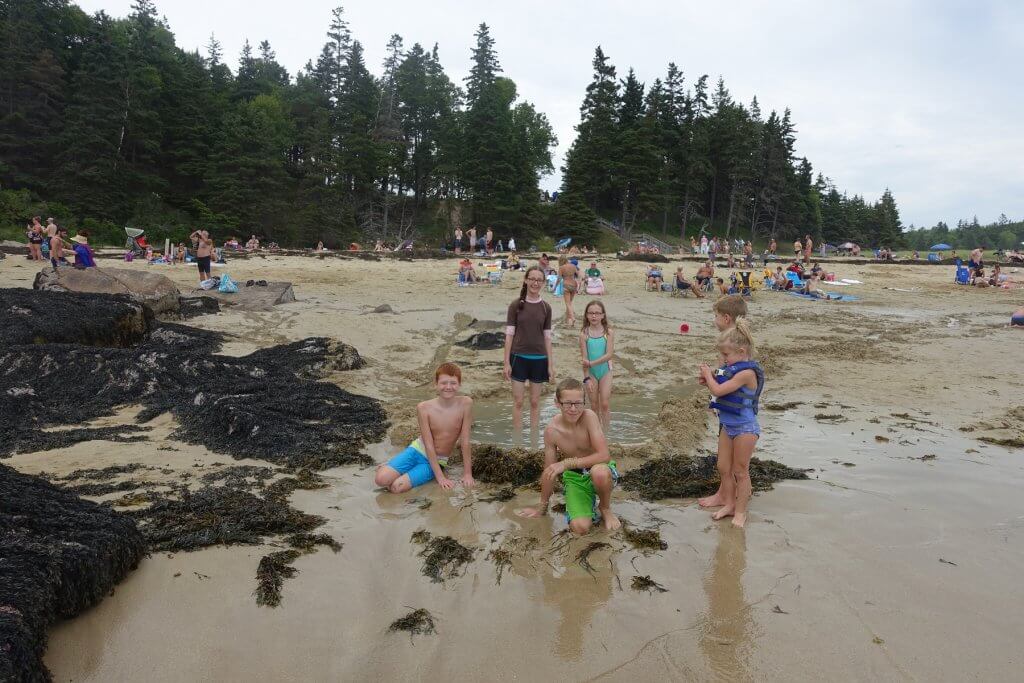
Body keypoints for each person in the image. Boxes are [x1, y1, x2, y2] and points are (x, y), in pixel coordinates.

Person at [516, 378, 620, 534]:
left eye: (578, 403)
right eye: (567, 403)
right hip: (575, 478)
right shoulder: (552, 431)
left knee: (599, 472)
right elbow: (549, 470)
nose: (573, 409)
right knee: (580, 528)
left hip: (601, 470)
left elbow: (604, 455)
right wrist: (542, 507)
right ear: (557, 403)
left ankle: (604, 507)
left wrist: (566, 464)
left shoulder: (589, 417)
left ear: (584, 403)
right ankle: (585, 504)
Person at [697, 320, 763, 528]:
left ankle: (741, 511)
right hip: (728, 426)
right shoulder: (731, 369)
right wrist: (708, 380)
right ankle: (729, 503)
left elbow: (717, 391)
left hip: (745, 428)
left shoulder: (746, 373)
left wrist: (709, 376)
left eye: (726, 355)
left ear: (742, 351)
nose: (723, 360)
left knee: (740, 471)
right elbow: (718, 387)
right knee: (723, 467)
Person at [374, 362, 474, 492]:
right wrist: (441, 478)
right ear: (436, 384)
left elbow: (465, 441)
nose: (448, 387)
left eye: (453, 383)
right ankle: (391, 465)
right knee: (380, 480)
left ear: (459, 384)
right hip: (417, 450)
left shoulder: (466, 404)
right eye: (443, 383)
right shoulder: (424, 408)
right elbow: (428, 444)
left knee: (396, 487)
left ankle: (396, 468)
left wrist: (467, 474)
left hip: (437, 461)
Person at [504, 267, 555, 440]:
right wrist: (506, 363)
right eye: (532, 279)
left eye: (539, 280)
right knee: (518, 402)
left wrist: (550, 365)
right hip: (518, 357)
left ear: (543, 283)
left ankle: (534, 438)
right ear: (526, 280)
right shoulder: (516, 305)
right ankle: (517, 439)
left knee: (534, 402)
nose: (535, 283)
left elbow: (547, 338)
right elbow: (509, 335)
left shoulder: (546, 307)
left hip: (540, 359)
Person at [579, 301, 614, 431]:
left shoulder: (608, 332)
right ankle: (596, 431)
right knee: (594, 405)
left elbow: (609, 355)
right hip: (591, 373)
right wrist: (586, 378)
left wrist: (592, 363)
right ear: (586, 315)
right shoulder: (584, 334)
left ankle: (606, 432)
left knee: (604, 403)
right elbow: (584, 359)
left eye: (597, 313)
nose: (594, 316)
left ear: (603, 315)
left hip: (606, 371)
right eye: (591, 313)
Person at [558, 254, 579, 326]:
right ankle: (567, 319)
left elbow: (559, 278)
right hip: (574, 285)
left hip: (566, 285)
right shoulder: (573, 266)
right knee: (569, 303)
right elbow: (578, 274)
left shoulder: (561, 267)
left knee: (568, 304)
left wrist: (555, 287)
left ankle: (572, 318)